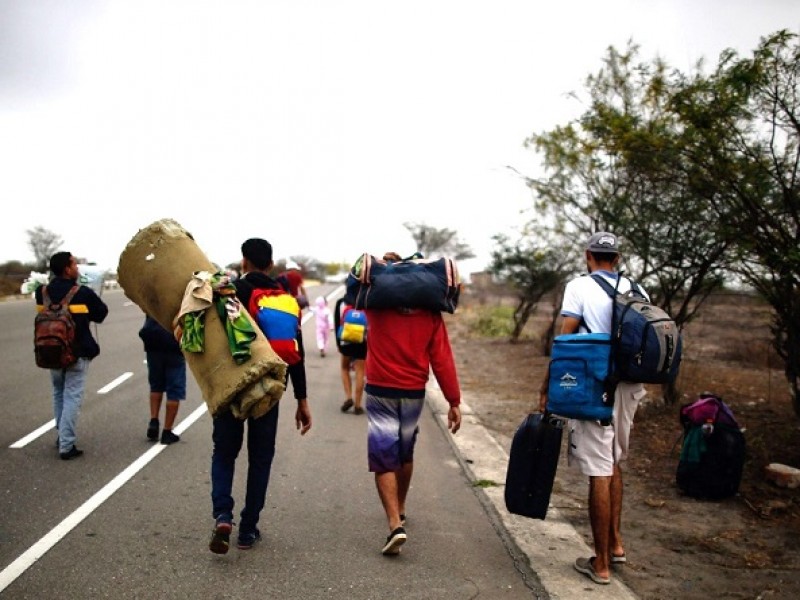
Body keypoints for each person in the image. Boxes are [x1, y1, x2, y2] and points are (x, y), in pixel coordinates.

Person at [538, 232, 647, 585]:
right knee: (614, 462)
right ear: (616, 258)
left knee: (599, 470)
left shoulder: (579, 287)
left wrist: (547, 386)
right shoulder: (637, 289)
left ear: (589, 256)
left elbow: (566, 340)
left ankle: (600, 564)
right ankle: (615, 544)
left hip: (595, 386)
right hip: (630, 387)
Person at [208, 238, 312, 554]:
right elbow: (297, 352)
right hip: (269, 388)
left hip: (232, 385)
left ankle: (223, 515)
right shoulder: (284, 299)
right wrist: (302, 400)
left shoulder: (228, 293)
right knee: (260, 458)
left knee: (224, 452)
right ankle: (248, 528)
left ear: (244, 261)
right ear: (269, 265)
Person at [363, 251, 462, 556]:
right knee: (404, 452)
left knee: (384, 457)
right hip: (413, 392)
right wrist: (453, 400)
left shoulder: (376, 307)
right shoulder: (430, 313)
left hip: (380, 389)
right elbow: (442, 358)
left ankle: (395, 524)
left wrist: (383, 265)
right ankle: (401, 508)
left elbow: (365, 281)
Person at [35, 251, 109, 460]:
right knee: (72, 396)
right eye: (74, 264)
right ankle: (66, 445)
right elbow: (101, 314)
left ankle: (61, 435)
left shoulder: (42, 292)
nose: (77, 268)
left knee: (58, 393)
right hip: (77, 353)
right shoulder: (83, 293)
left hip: (50, 351)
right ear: (67, 269)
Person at [139, 314, 185, 445]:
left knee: (156, 385)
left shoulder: (153, 293)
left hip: (153, 339)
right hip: (173, 341)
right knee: (175, 389)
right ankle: (167, 431)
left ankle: (154, 420)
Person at [333, 297, 366, 415]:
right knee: (360, 371)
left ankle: (348, 398)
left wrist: (338, 343)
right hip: (362, 341)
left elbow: (337, 322)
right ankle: (358, 405)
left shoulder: (342, 302)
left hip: (346, 340)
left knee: (344, 368)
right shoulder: (367, 300)